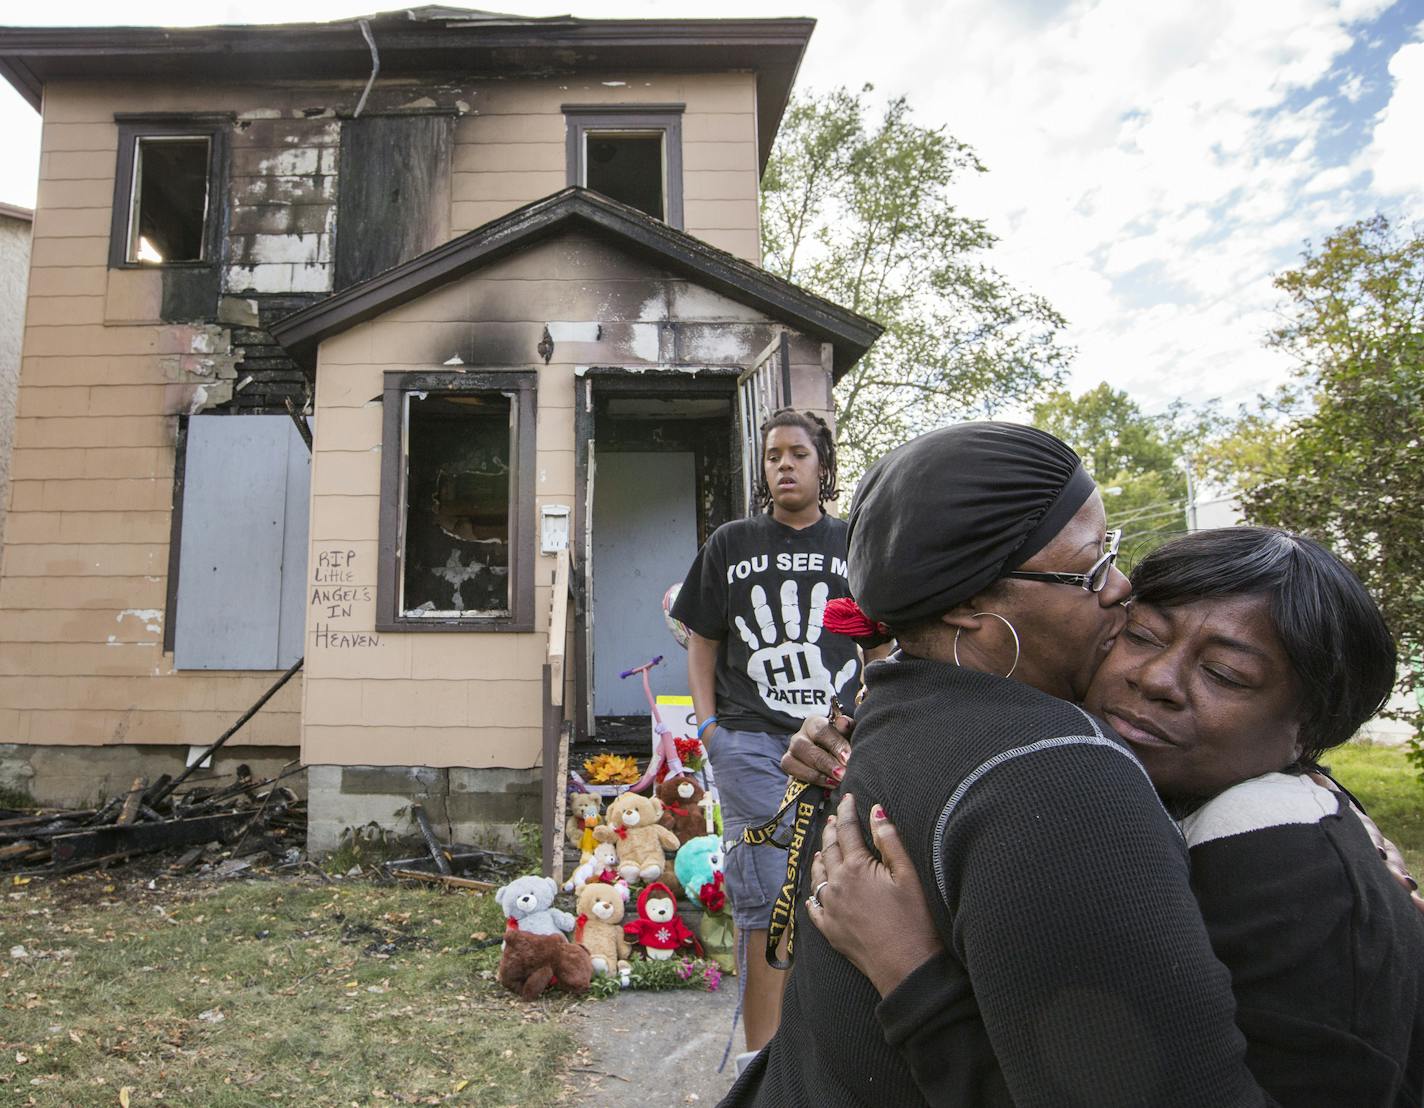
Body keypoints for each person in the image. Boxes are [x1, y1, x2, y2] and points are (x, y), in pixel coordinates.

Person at [723, 420, 1277, 1107]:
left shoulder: (889, 712)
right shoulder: (1057, 778)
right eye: (1091, 566)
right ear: (971, 605)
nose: (1120, 587)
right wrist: (918, 984)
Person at [802, 527, 1424, 1106]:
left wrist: (912, 974)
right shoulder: (1107, 772)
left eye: (1225, 674)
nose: (1156, 679)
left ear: (1308, 733)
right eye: (1144, 635)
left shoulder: (1304, 886)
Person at [670, 408, 869, 1056]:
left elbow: (883, 638)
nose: (783, 464)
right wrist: (709, 729)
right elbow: (702, 638)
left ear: (822, 464)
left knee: (839, 886)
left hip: (841, 742)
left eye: (797, 453)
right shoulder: (731, 544)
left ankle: (820, 1053)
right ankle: (761, 1067)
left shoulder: (853, 544)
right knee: (769, 897)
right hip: (754, 742)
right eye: (773, 455)